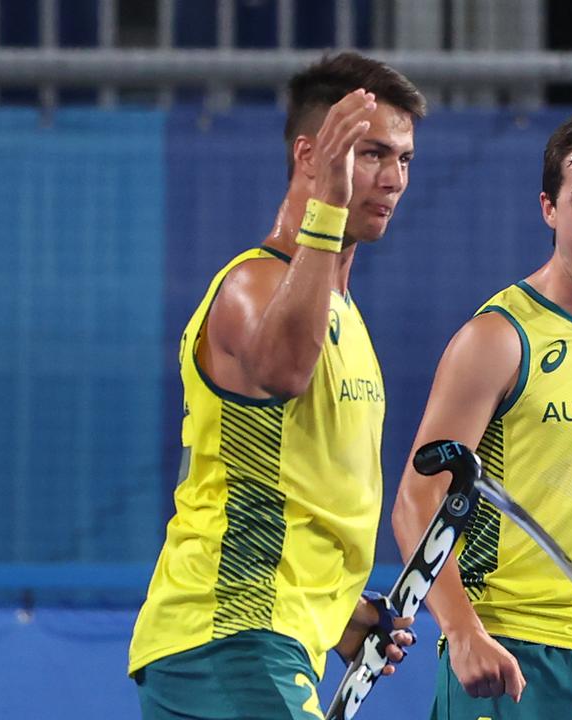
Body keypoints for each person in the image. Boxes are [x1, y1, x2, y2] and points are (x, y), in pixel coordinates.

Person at [128, 52, 427, 719]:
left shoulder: (346, 317)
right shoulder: (249, 286)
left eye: (404, 159)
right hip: (228, 636)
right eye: (371, 153)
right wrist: (328, 203)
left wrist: (342, 609)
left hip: (269, 638)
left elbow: (291, 500)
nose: (393, 179)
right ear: (309, 153)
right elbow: (287, 369)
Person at [391, 109, 572, 720]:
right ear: (550, 208)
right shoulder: (498, 339)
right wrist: (464, 633)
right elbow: (418, 501)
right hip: (512, 655)